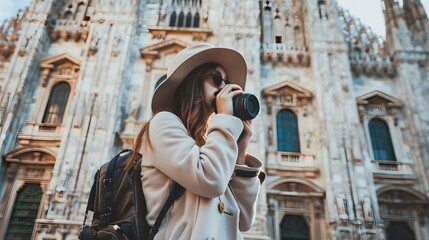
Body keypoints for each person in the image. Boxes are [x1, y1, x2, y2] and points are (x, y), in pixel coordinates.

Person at [131, 43, 264, 239]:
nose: (223, 89)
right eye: (216, 79)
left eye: (226, 83)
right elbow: (210, 180)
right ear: (192, 80)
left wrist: (241, 146)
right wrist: (226, 122)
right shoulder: (163, 123)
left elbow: (243, 220)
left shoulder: (211, 143)